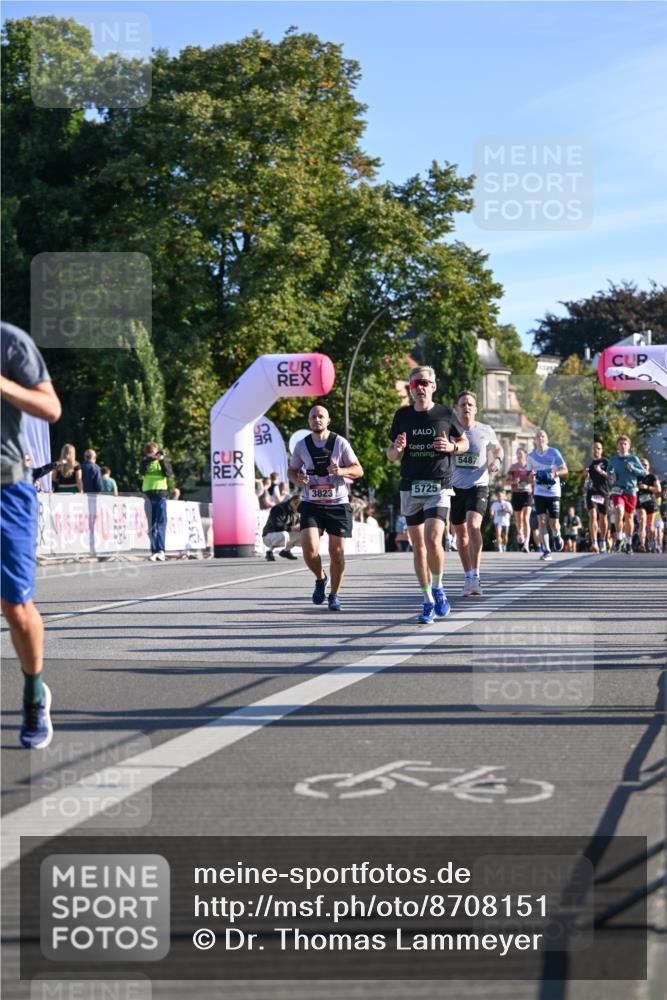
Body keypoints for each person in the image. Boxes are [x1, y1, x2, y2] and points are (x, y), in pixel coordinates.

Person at [1, 321, 62, 748]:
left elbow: (50, 408)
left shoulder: (9, 341)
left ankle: (34, 692)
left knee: (16, 607)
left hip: (6, 487)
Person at [387, 366, 468, 623]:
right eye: (414, 384)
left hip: (439, 484)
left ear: (433, 385)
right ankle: (427, 600)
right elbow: (390, 454)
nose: (419, 387)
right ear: (410, 389)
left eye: (424, 382)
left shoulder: (445, 413)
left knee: (433, 539)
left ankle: (439, 587)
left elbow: (464, 442)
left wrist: (452, 446)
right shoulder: (402, 416)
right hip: (410, 485)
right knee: (418, 547)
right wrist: (396, 449)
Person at [288, 405, 363, 611]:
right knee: (309, 549)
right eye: (313, 417)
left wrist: (342, 470)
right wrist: (298, 478)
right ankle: (321, 578)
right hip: (311, 503)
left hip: (337, 504)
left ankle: (334, 594)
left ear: (328, 420)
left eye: (321, 416)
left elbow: (358, 470)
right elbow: (292, 471)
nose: (317, 420)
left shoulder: (340, 443)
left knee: (336, 552)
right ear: (309, 421)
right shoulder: (302, 446)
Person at [451, 390, 503, 594]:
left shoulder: (485, 429)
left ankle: (476, 575)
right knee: (461, 536)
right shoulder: (450, 430)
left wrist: (497, 461)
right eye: (463, 404)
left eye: (470, 404)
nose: (466, 408)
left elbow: (498, 449)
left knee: (473, 526)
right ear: (457, 409)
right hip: (454, 488)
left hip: (478, 485)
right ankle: (468, 577)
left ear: (475, 409)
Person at [526, 429, 568, 562]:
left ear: (547, 439)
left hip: (554, 491)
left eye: (543, 436)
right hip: (539, 492)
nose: (540, 438)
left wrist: (555, 474)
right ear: (535, 440)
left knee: (554, 523)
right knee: (541, 521)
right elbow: (528, 474)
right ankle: (547, 551)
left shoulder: (554, 452)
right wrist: (531, 477)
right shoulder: (531, 456)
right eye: (538, 436)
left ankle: (557, 535)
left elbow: (565, 469)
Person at [606, 436, 645, 555]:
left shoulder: (633, 458)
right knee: (618, 510)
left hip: (631, 490)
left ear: (629, 446)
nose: (623, 446)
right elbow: (609, 471)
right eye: (620, 444)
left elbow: (643, 472)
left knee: (629, 517)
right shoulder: (613, 459)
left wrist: (632, 468)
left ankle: (628, 543)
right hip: (618, 489)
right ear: (617, 446)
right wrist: (611, 475)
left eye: (625, 444)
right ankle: (618, 538)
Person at [140, 441, 173, 562]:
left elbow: (168, 474)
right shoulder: (145, 462)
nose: (152, 454)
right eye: (149, 453)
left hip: (160, 496)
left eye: (153, 452)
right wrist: (151, 459)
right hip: (148, 496)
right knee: (151, 525)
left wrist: (161, 460)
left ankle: (161, 550)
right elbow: (142, 471)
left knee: (161, 524)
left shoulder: (162, 462)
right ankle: (154, 550)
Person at [584, 441, 610, 553]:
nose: (596, 450)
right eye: (594, 448)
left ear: (601, 450)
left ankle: (603, 541)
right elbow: (585, 477)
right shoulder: (588, 462)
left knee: (603, 517)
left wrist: (601, 471)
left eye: (598, 448)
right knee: (593, 516)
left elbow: (611, 477)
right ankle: (594, 542)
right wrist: (585, 474)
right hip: (591, 492)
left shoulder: (605, 461)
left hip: (603, 492)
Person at [507, 446, 532, 552]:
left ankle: (526, 543)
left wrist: (531, 481)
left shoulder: (530, 467)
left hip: (527, 493)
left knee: (526, 518)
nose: (519, 455)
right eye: (517, 454)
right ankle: (520, 532)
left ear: (525, 455)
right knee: (519, 519)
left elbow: (534, 479)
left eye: (520, 453)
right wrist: (514, 481)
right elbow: (507, 481)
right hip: (516, 494)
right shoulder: (513, 467)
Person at [262, 493, 301, 561]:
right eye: (300, 506)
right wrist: (294, 528)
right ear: (294, 503)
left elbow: (296, 526)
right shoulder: (278, 508)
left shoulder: (296, 512)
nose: (301, 509)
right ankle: (269, 551)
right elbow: (278, 527)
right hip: (268, 535)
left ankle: (286, 551)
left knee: (305, 534)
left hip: (283, 534)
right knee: (284, 535)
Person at [636, 458, 661, 552]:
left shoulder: (652, 476)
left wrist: (647, 487)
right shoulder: (636, 477)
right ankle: (642, 544)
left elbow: (658, 489)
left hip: (650, 502)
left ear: (648, 466)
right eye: (642, 465)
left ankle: (652, 540)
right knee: (642, 521)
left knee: (650, 525)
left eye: (645, 465)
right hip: (640, 502)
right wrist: (635, 489)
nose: (644, 466)